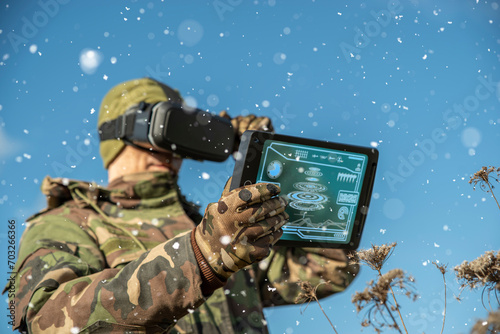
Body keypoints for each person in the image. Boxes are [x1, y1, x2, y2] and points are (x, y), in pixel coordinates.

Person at [7, 78, 359, 333]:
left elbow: (328, 270)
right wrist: (203, 253)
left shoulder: (220, 225)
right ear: (125, 131)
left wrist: (275, 161)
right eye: (166, 129)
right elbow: (47, 320)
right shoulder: (70, 222)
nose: (171, 152)